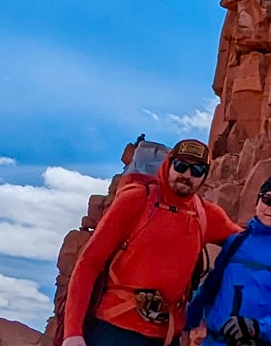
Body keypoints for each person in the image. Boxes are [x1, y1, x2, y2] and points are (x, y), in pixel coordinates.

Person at [63, 139, 242, 346]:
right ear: (169, 164)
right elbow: (89, 263)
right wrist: (72, 332)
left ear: (204, 177)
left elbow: (248, 242)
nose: (187, 175)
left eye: (197, 170)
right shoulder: (136, 200)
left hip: (166, 335)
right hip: (115, 330)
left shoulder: (206, 215)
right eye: (181, 166)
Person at [184, 176, 271, 346]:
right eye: (268, 200)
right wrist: (186, 323)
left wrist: (256, 327)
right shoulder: (236, 242)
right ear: (257, 202)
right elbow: (209, 289)